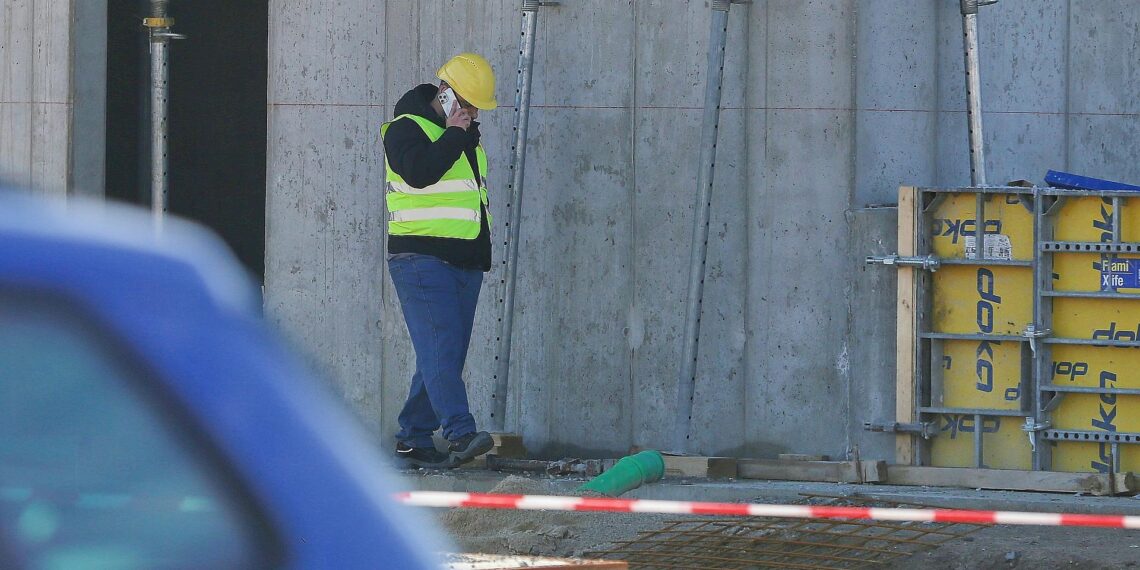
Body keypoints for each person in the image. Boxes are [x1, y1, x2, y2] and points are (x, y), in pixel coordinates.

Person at [380, 53, 499, 469]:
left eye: (475, 106)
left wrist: (480, 254)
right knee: (442, 348)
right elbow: (418, 172)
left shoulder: (464, 137)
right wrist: (454, 134)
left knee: (443, 352)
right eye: (464, 102)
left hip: (464, 259)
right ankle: (459, 431)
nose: (469, 111)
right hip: (420, 256)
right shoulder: (405, 129)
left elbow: (470, 198)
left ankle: (413, 437)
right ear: (445, 93)